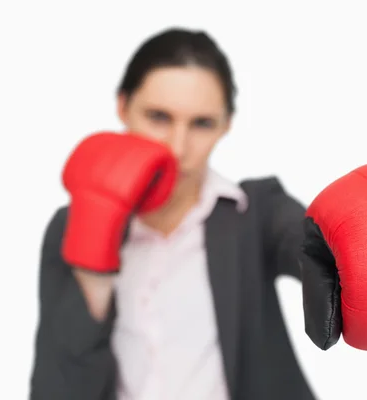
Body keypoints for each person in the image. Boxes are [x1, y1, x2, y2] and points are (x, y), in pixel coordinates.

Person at [30, 27, 319, 400]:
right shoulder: (69, 225)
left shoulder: (256, 211)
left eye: (202, 123)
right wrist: (93, 273)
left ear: (226, 126)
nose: (177, 148)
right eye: (158, 117)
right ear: (122, 107)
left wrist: (351, 246)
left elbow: (315, 244)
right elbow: (59, 387)